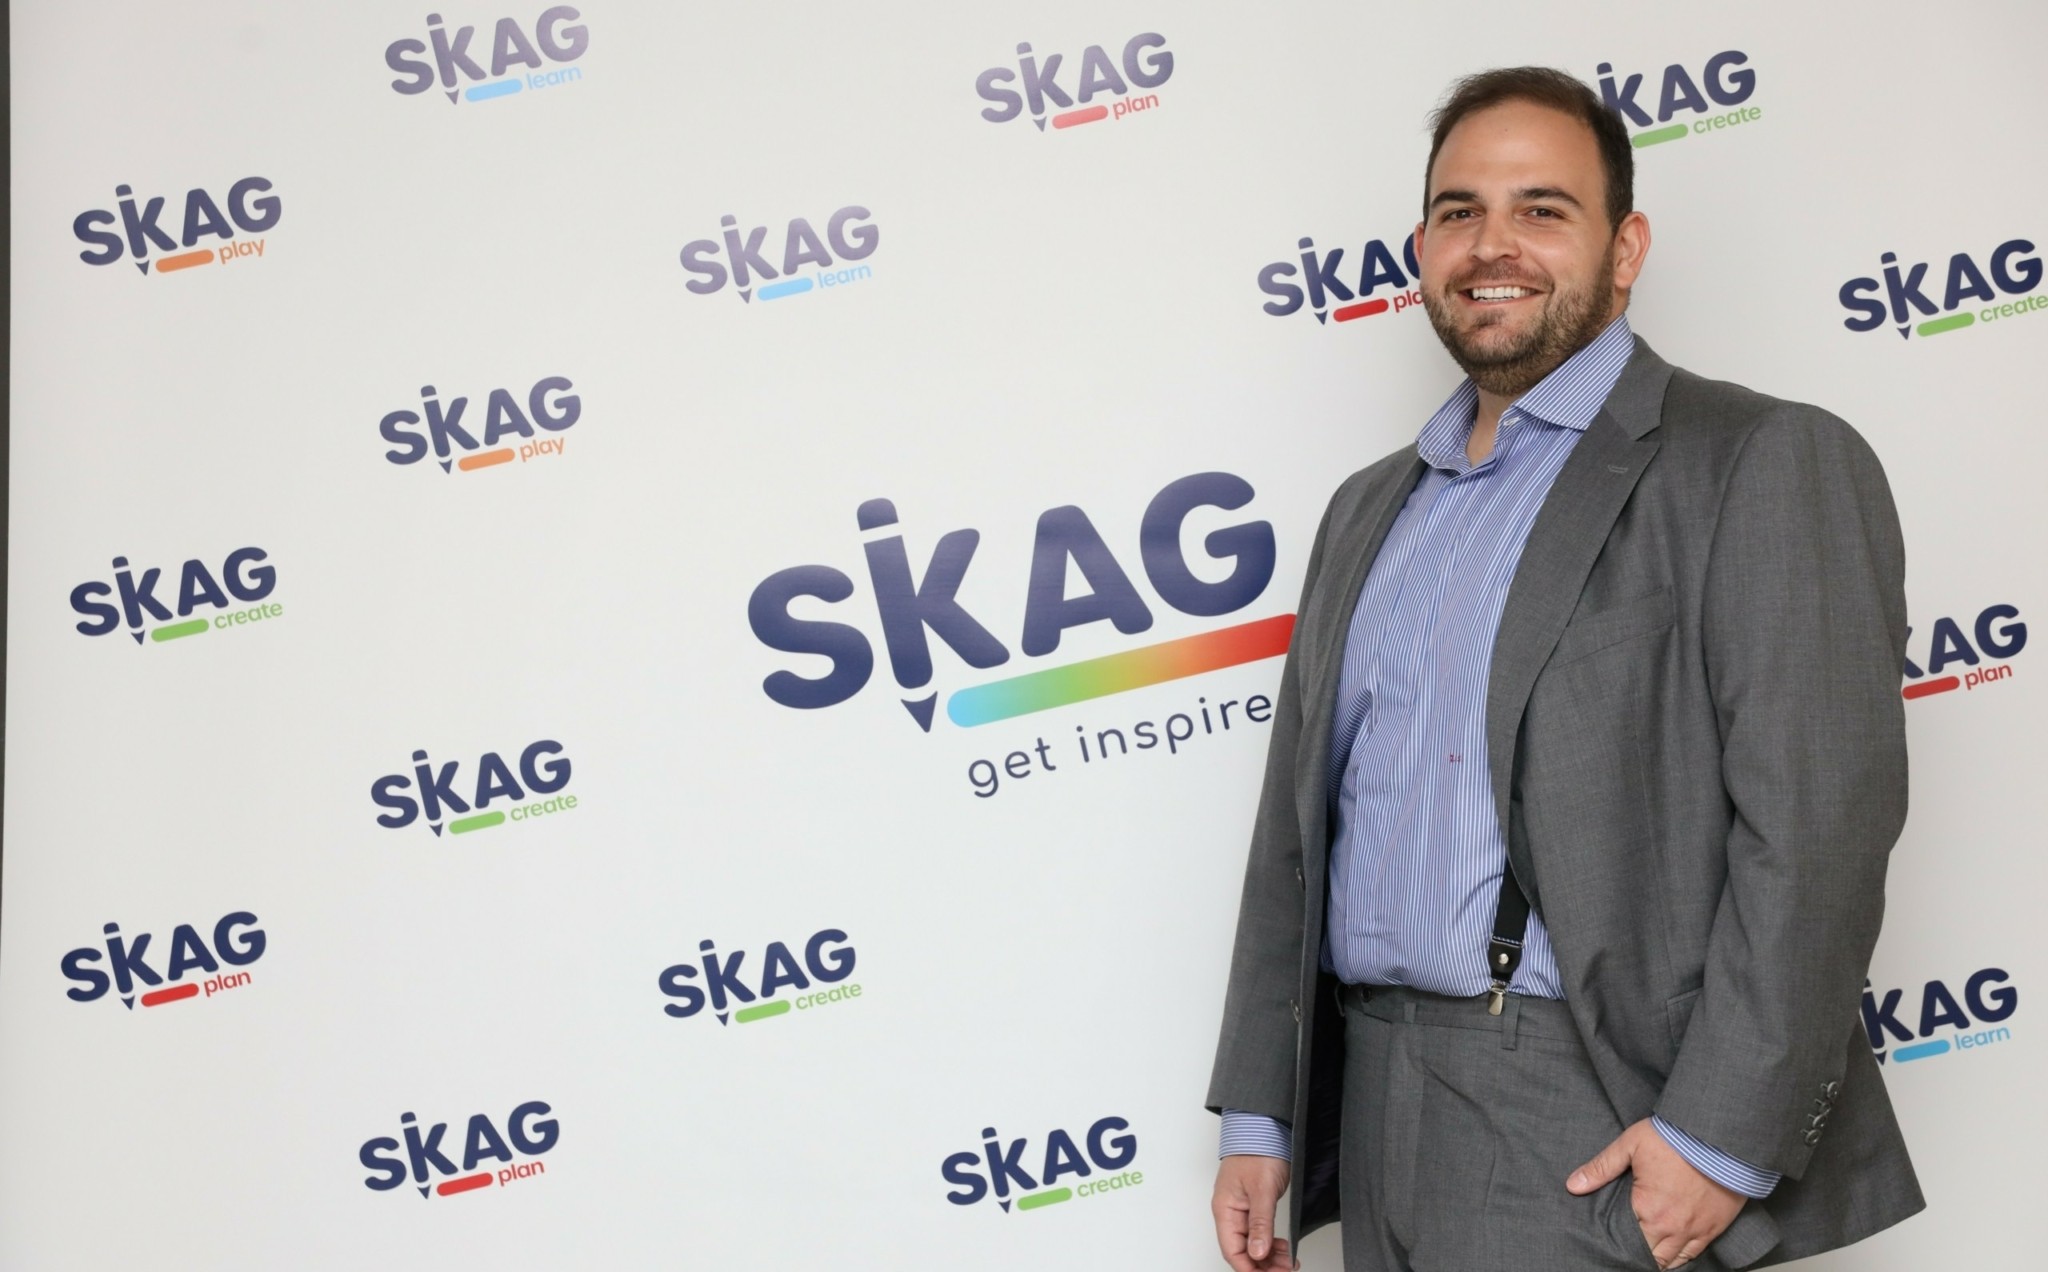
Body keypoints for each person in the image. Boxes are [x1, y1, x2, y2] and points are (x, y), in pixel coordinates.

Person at [1205, 67, 1921, 1272]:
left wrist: (1717, 1142)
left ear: (1623, 248)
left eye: (1541, 209)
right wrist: (1260, 1114)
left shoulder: (1755, 459)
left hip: (1581, 1106)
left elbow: (1817, 827)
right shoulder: (1365, 508)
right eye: (1458, 212)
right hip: (1371, 1092)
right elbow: (1297, 828)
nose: (1492, 245)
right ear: (1422, 250)